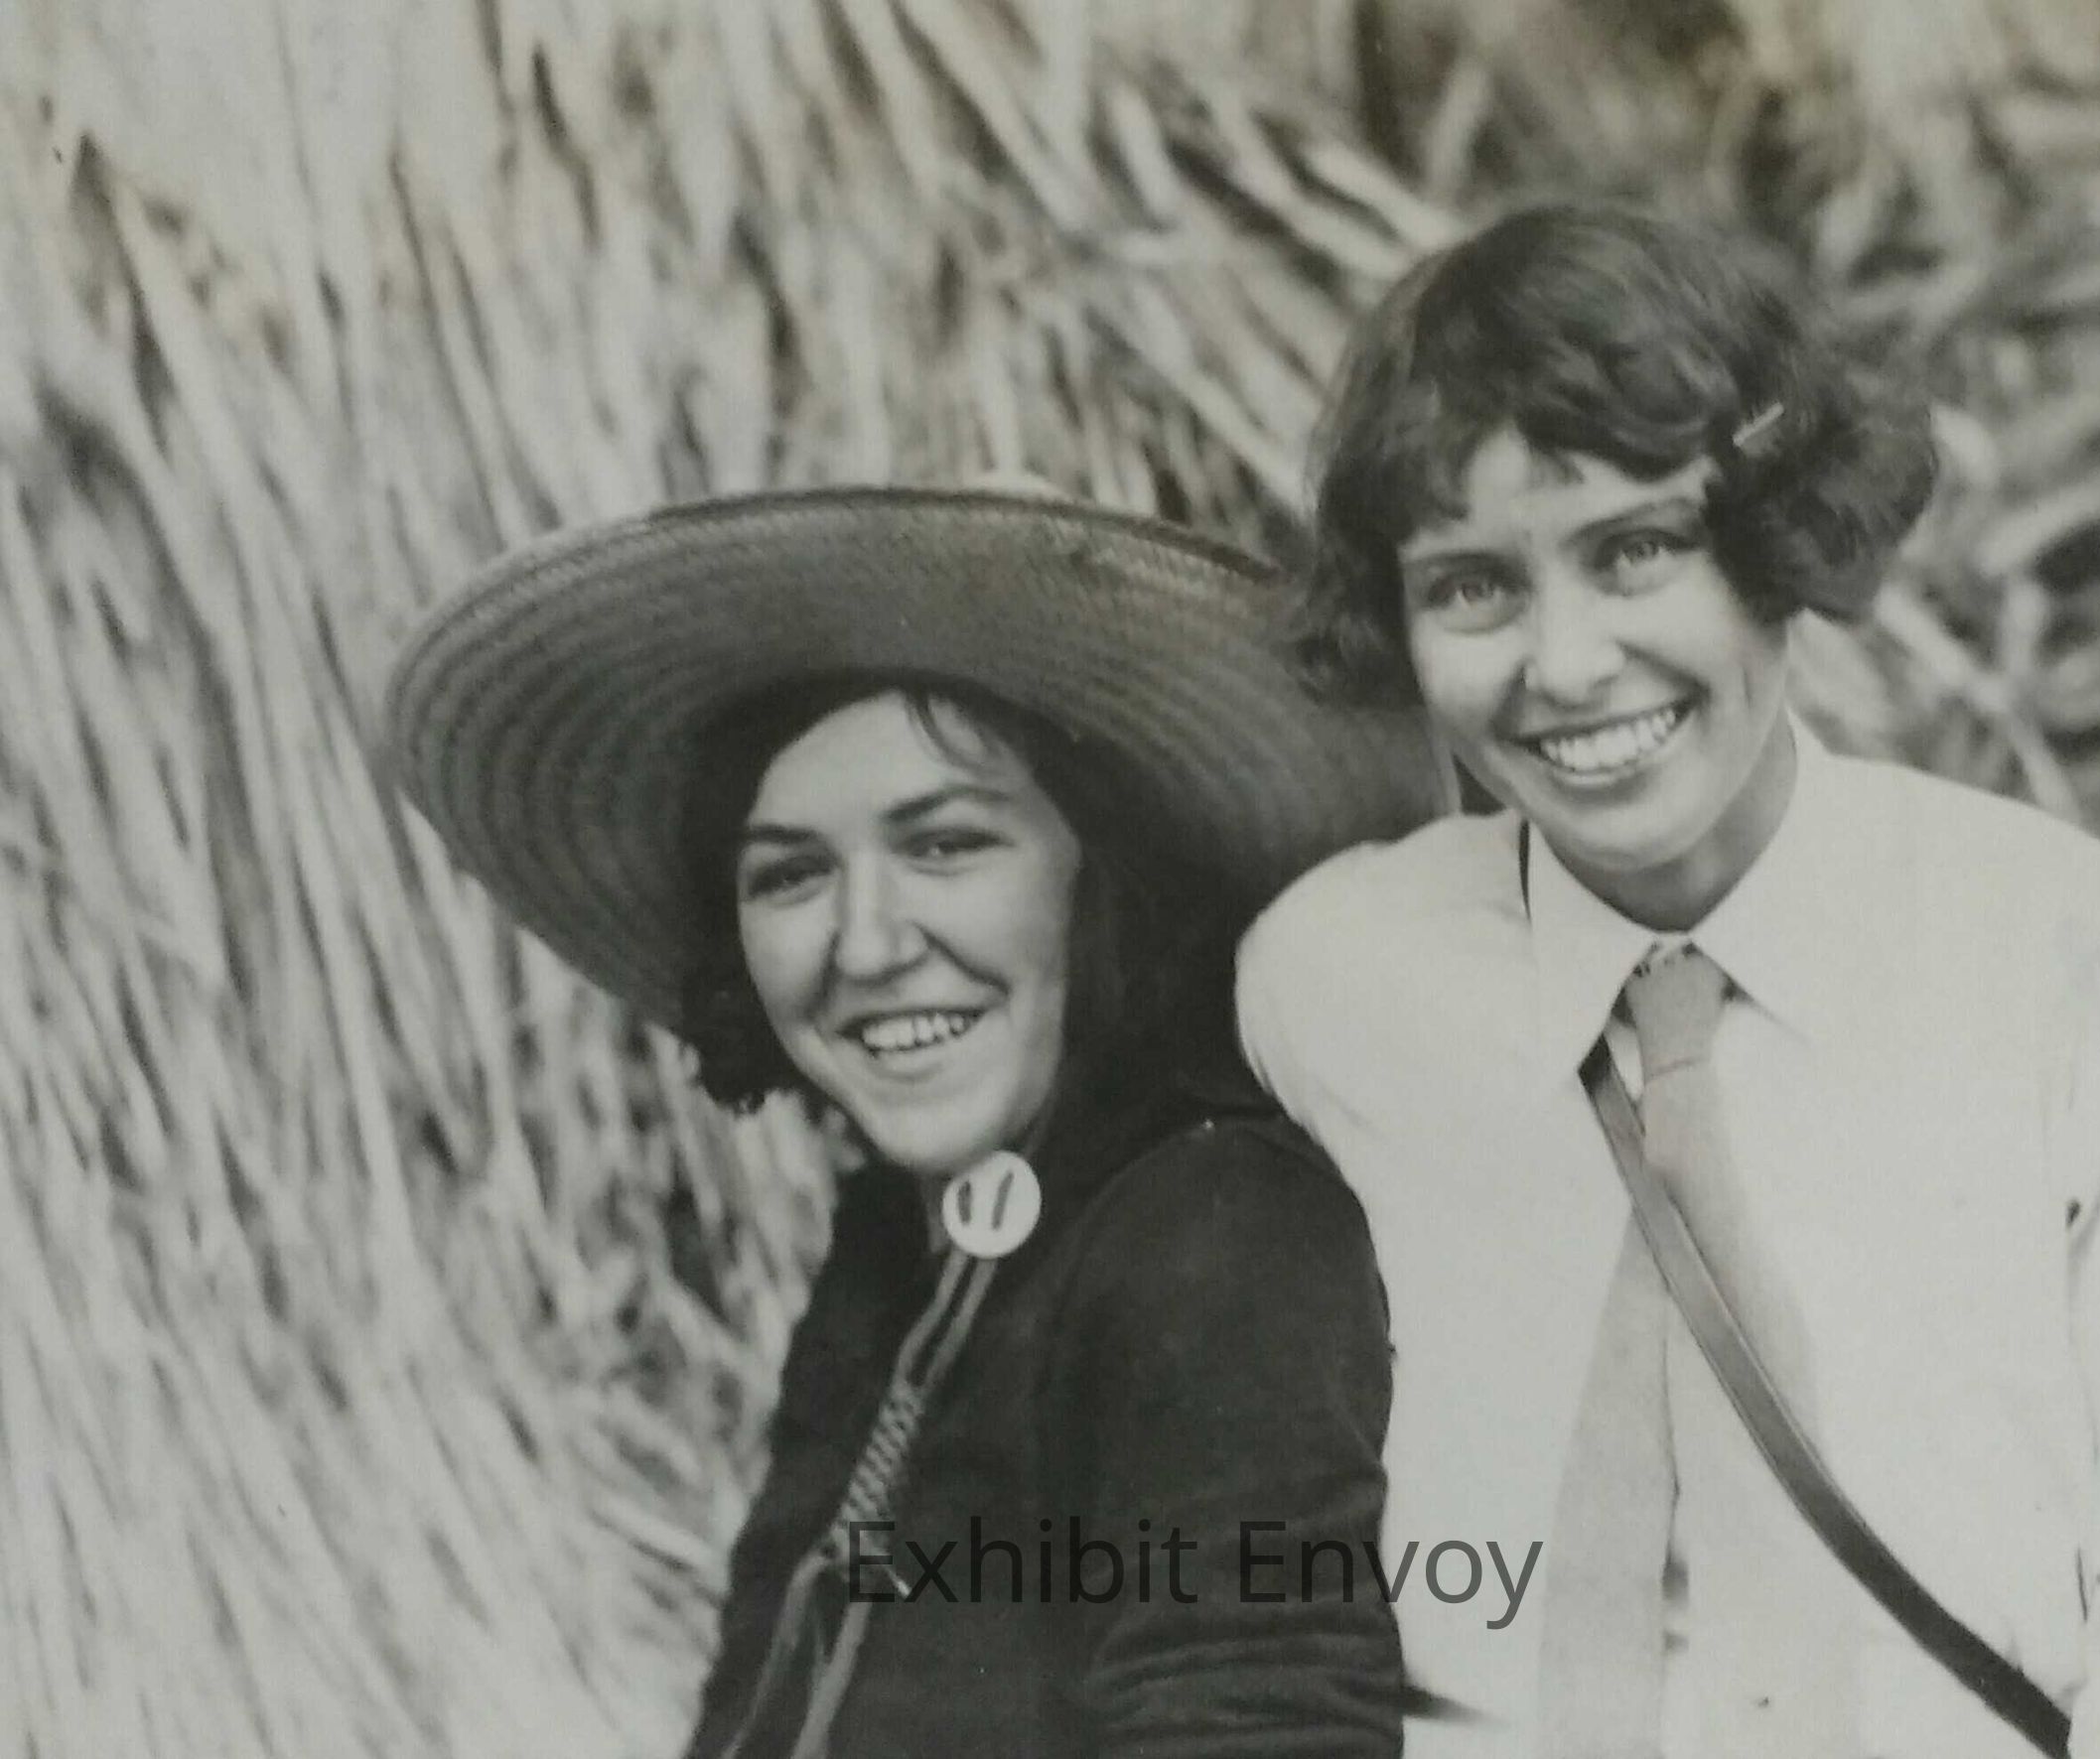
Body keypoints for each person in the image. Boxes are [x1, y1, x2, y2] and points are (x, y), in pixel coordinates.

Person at [1236, 201, 2100, 1758]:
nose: (1563, 665)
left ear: (1779, 542)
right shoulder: (1326, 984)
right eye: (1471, 586)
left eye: (1634, 550)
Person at [385, 486, 1441, 1758]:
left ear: (1104, 871)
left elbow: (1259, 1725)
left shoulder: (1215, 1230)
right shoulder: (897, 1240)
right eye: (790, 873)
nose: (867, 944)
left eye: (943, 845)